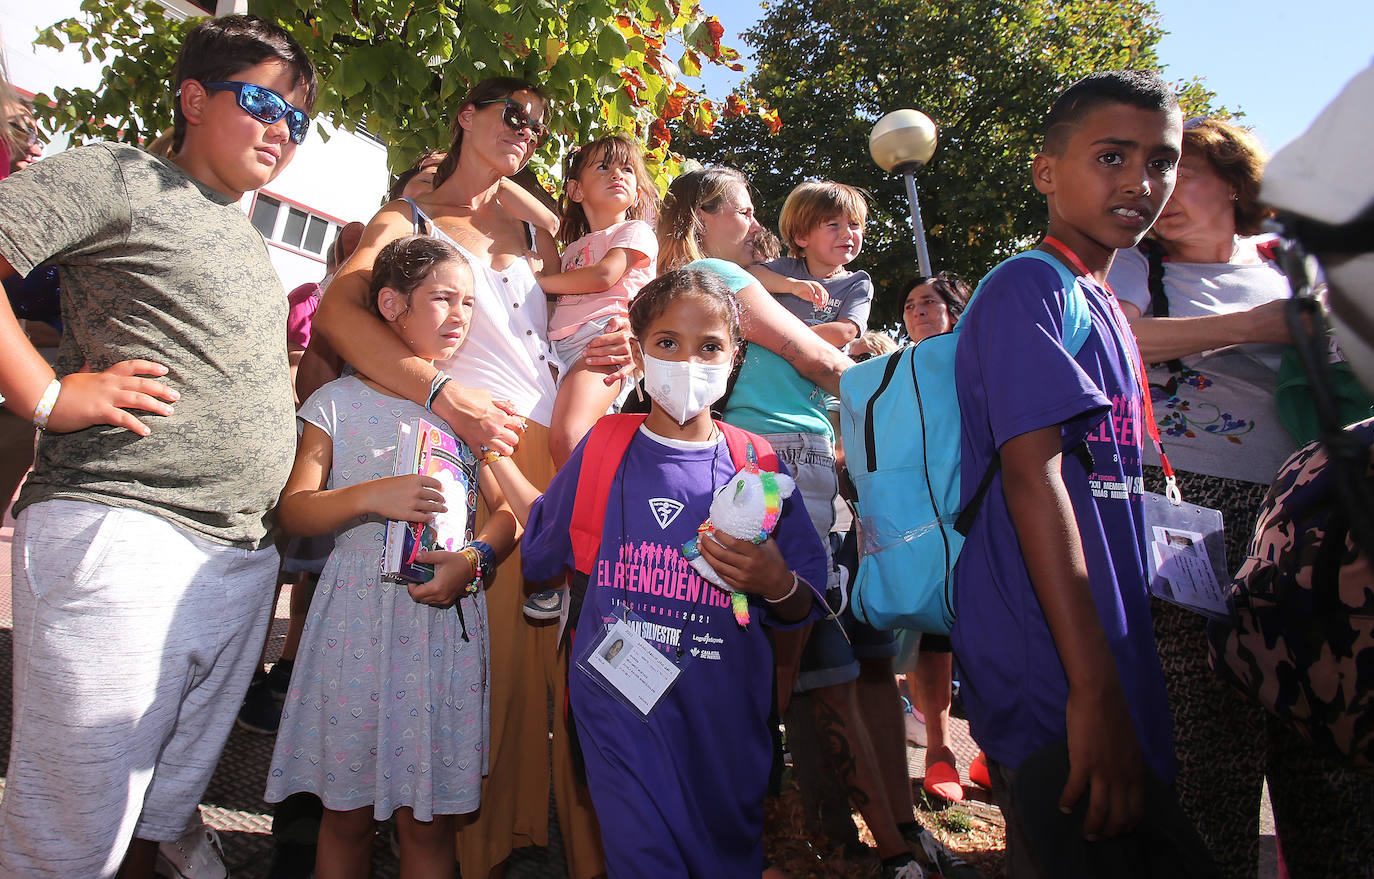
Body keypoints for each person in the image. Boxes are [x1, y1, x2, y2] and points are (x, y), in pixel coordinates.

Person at [0, 14, 316, 878]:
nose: (282, 129)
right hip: (125, 527)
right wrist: (50, 393)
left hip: (236, 559)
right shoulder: (120, 173)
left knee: (154, 820)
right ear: (192, 97)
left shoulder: (246, 235)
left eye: (298, 118)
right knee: (68, 833)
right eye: (262, 102)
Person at [312, 77, 609, 879]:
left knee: (582, 669)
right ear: (465, 115)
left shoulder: (534, 232)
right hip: (485, 451)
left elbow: (567, 321)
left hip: (566, 451)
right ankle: (483, 855)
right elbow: (340, 316)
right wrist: (444, 393)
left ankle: (596, 858)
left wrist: (605, 351)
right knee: (493, 678)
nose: (526, 131)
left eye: (539, 126)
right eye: (510, 115)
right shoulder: (403, 220)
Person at [484, 268, 828, 878]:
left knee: (723, 861)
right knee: (644, 861)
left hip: (723, 723)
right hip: (618, 709)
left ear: (735, 357)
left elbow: (803, 603)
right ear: (640, 352)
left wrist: (776, 582)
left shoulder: (759, 465)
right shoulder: (603, 448)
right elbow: (541, 548)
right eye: (667, 342)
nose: (688, 361)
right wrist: (493, 459)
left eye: (710, 346)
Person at [1108, 116, 1372, 878]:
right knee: (1205, 730)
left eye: (1177, 169)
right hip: (1185, 506)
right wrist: (1253, 326)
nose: (1156, 190)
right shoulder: (1133, 264)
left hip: (1312, 517)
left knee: (1325, 719)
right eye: (1148, 172)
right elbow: (1117, 340)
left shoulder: (1294, 266)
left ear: (1232, 180)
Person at [952, 71, 1183, 877]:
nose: (1140, 182)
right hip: (1055, 670)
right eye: (1112, 155)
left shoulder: (1106, 301)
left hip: (1105, 660)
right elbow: (1033, 480)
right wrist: (1093, 688)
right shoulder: (1028, 287)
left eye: (1162, 160)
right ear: (1047, 171)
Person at [265, 235, 517, 879]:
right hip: (354, 627)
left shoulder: (472, 412)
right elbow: (294, 511)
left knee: (427, 825)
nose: (459, 315)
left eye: (468, 302)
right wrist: (366, 497)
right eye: (441, 298)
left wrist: (477, 560)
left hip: (440, 632)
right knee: (343, 817)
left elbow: (508, 513)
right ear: (390, 303)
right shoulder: (337, 404)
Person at [543, 132, 660, 468]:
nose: (616, 174)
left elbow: (603, 276)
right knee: (567, 437)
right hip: (563, 348)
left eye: (626, 169)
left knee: (569, 435)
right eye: (604, 167)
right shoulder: (572, 250)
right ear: (576, 190)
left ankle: (591, 512)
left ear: (636, 192)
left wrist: (537, 283)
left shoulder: (634, 231)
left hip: (602, 340)